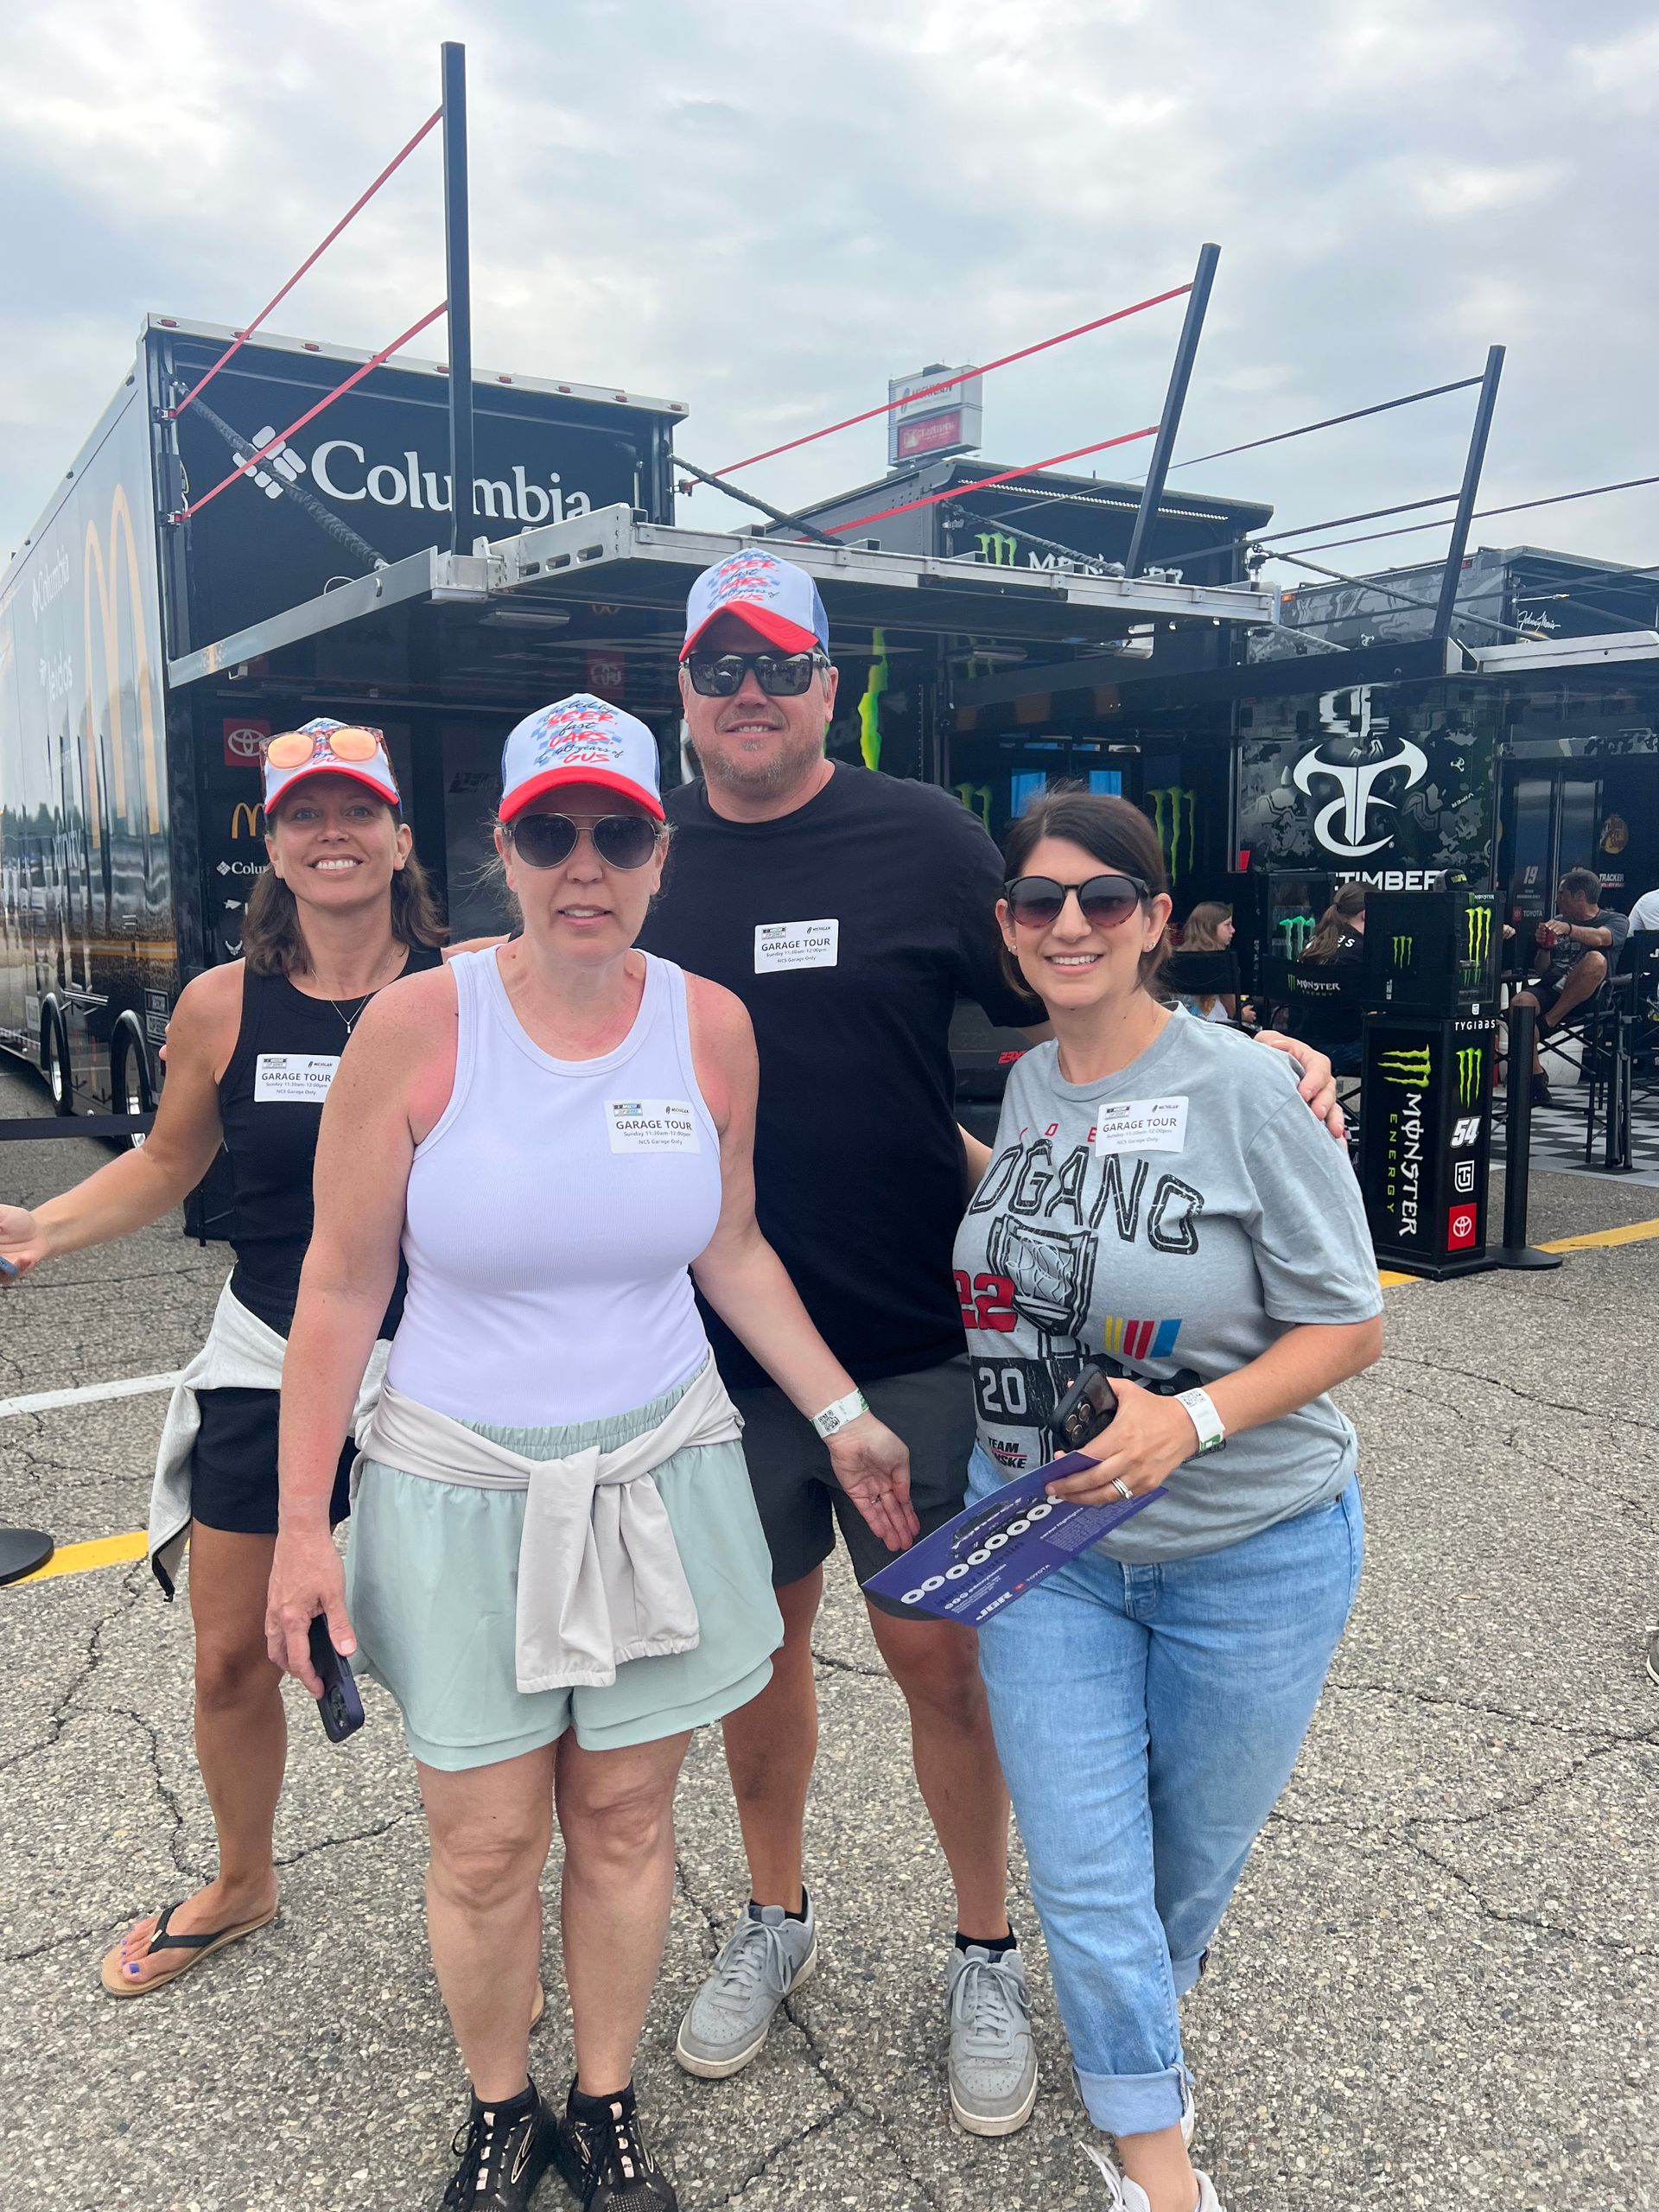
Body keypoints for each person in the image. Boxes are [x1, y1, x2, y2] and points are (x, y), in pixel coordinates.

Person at [632, 547, 1345, 2134]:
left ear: (829, 685)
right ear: (683, 688)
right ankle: (774, 1916)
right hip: (711, 1354)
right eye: (719, 667)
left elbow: (1077, 1010)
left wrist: (1248, 1058)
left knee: (944, 1664)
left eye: (780, 665)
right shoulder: (641, 857)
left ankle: (983, 1953)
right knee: (754, 1665)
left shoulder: (925, 839)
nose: (749, 693)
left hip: (921, 1344)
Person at [264, 696, 916, 2212]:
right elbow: (341, 1287)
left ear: (659, 854)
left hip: (652, 1477)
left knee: (624, 1819)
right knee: (486, 1841)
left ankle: (606, 2099)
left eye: (618, 833)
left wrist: (844, 1414)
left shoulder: (709, 1026)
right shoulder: (419, 1026)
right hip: (460, 1487)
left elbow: (731, 1247)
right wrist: (303, 1524)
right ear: (502, 851)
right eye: (549, 831)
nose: (585, 864)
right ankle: (502, 2107)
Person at [954, 790, 1383, 2212]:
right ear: (1010, 928)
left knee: (1184, 1863)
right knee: (1086, 1865)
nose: (1068, 923)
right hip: (1053, 1541)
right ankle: (1158, 2166)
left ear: (1155, 922)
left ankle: (1129, 2006)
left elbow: (1351, 1326)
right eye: (1040, 901)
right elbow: (1057, 1213)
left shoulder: (1251, 1088)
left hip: (1253, 1551)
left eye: (1103, 899)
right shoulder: (1028, 1082)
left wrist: (1188, 1421)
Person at [0, 721, 446, 1995]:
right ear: (275, 844)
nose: (332, 833)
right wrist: (43, 1229)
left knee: (464, 1659)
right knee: (230, 1652)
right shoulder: (220, 1004)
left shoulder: (466, 985)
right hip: (271, 1347)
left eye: (357, 811)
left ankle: (483, 1891)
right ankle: (244, 1879)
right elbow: (166, 1163)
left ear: (401, 839)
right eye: (304, 813)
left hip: (442, 1359)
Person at [1510, 868, 1630, 1103]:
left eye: (1562, 893)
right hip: (1552, 987)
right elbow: (1543, 971)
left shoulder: (1615, 920)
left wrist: (1570, 930)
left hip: (1588, 996)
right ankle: (1535, 1076)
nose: (1557, 898)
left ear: (1579, 896)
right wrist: (1545, 947)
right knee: (1520, 1004)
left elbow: (1601, 938)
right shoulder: (1558, 921)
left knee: (1596, 959)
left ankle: (1550, 1021)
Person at [1170, 902, 1236, 1023]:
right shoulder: (1221, 962)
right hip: (1216, 1026)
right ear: (1210, 927)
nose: (1233, 930)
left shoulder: (1173, 958)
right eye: (1227, 925)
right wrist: (1244, 1014)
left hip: (1180, 1024)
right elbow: (1232, 1010)